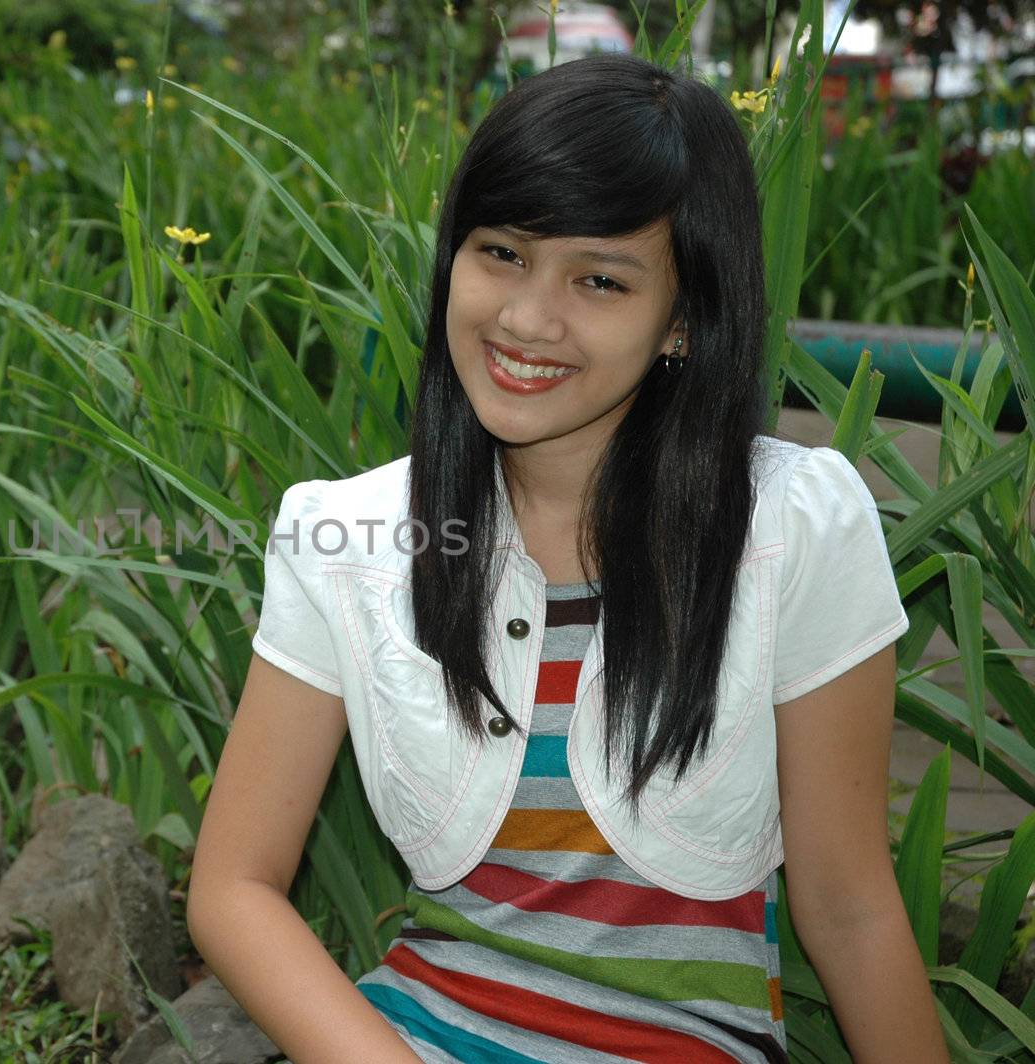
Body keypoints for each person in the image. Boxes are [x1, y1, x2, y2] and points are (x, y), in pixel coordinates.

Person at [185, 51, 950, 1063]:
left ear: (680, 320)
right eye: (499, 251)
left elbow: (849, 907)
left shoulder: (792, 528)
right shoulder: (352, 536)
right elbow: (232, 885)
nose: (525, 317)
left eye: (598, 277)